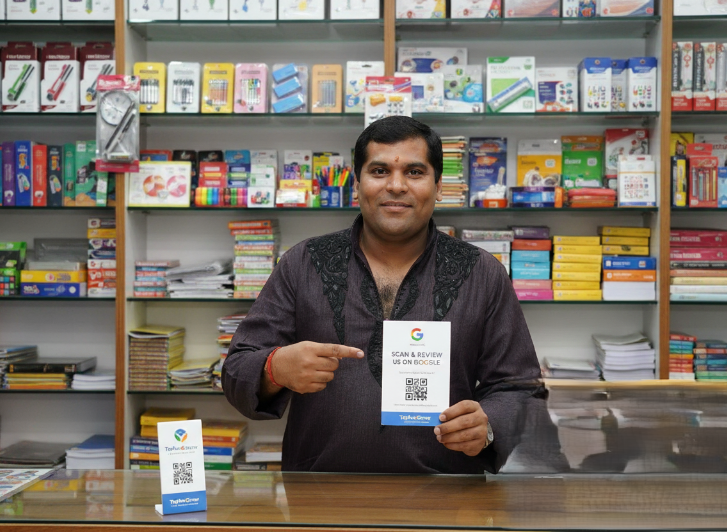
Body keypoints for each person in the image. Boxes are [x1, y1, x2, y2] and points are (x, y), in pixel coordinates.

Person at [223, 116, 541, 474]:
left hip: (447, 496)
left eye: (415, 172)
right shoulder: (305, 263)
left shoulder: (481, 272)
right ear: (357, 184)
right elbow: (235, 370)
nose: (396, 185)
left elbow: (521, 388)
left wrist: (488, 425)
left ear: (438, 186)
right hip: (319, 496)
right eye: (379, 171)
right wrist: (274, 368)